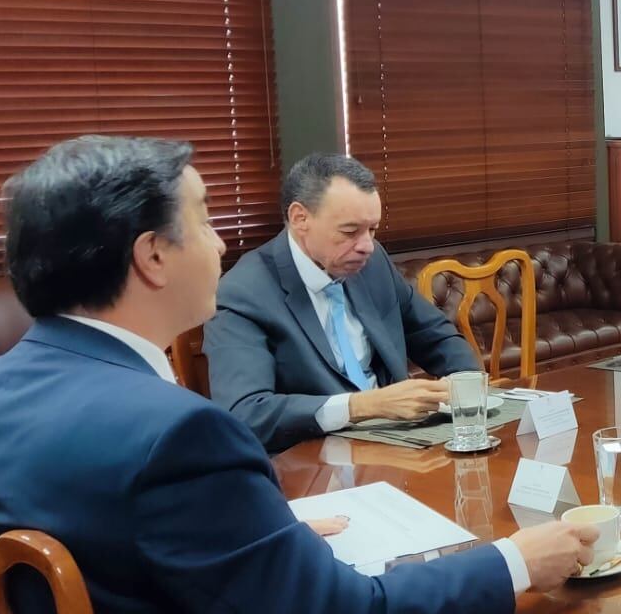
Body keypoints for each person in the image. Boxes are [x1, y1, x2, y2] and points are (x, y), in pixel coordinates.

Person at [0, 136, 599, 614]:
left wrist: (249, 530)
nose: (222, 241)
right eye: (205, 220)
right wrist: (516, 561)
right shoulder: (178, 435)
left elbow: (127, 542)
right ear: (153, 256)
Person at [205, 154, 480, 454]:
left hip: (401, 448)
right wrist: (362, 406)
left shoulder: (373, 263)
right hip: (314, 461)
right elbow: (246, 413)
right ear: (300, 219)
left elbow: (435, 335)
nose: (366, 246)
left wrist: (464, 386)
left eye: (372, 230)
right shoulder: (243, 292)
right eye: (350, 232)